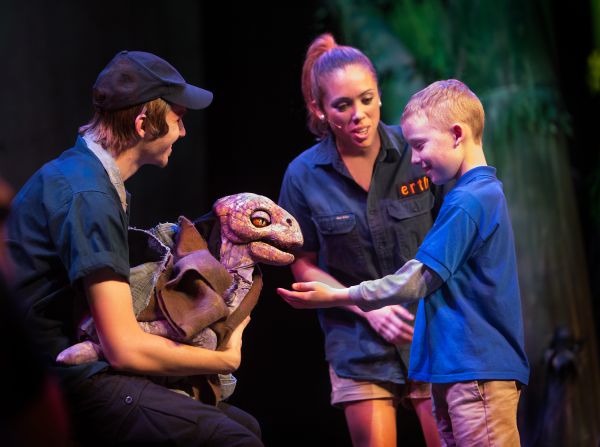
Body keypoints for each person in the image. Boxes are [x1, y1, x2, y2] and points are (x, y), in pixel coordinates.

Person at [5, 50, 263, 447]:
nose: (182, 131)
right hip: (64, 381)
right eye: (178, 118)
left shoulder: (89, 176)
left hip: (82, 366)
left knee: (244, 426)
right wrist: (223, 360)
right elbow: (123, 347)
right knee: (232, 440)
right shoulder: (88, 194)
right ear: (144, 124)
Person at [278, 79, 530, 446]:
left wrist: (339, 295)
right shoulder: (469, 195)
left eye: (420, 145)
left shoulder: (469, 201)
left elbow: (419, 278)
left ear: (457, 134)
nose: (414, 159)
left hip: (476, 367)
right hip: (455, 367)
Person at [278, 33, 442, 447]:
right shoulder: (303, 175)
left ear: (380, 96)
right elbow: (303, 263)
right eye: (342, 105)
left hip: (429, 331)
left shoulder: (415, 151)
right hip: (357, 340)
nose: (358, 115)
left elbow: (452, 235)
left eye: (366, 99)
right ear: (319, 108)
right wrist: (369, 308)